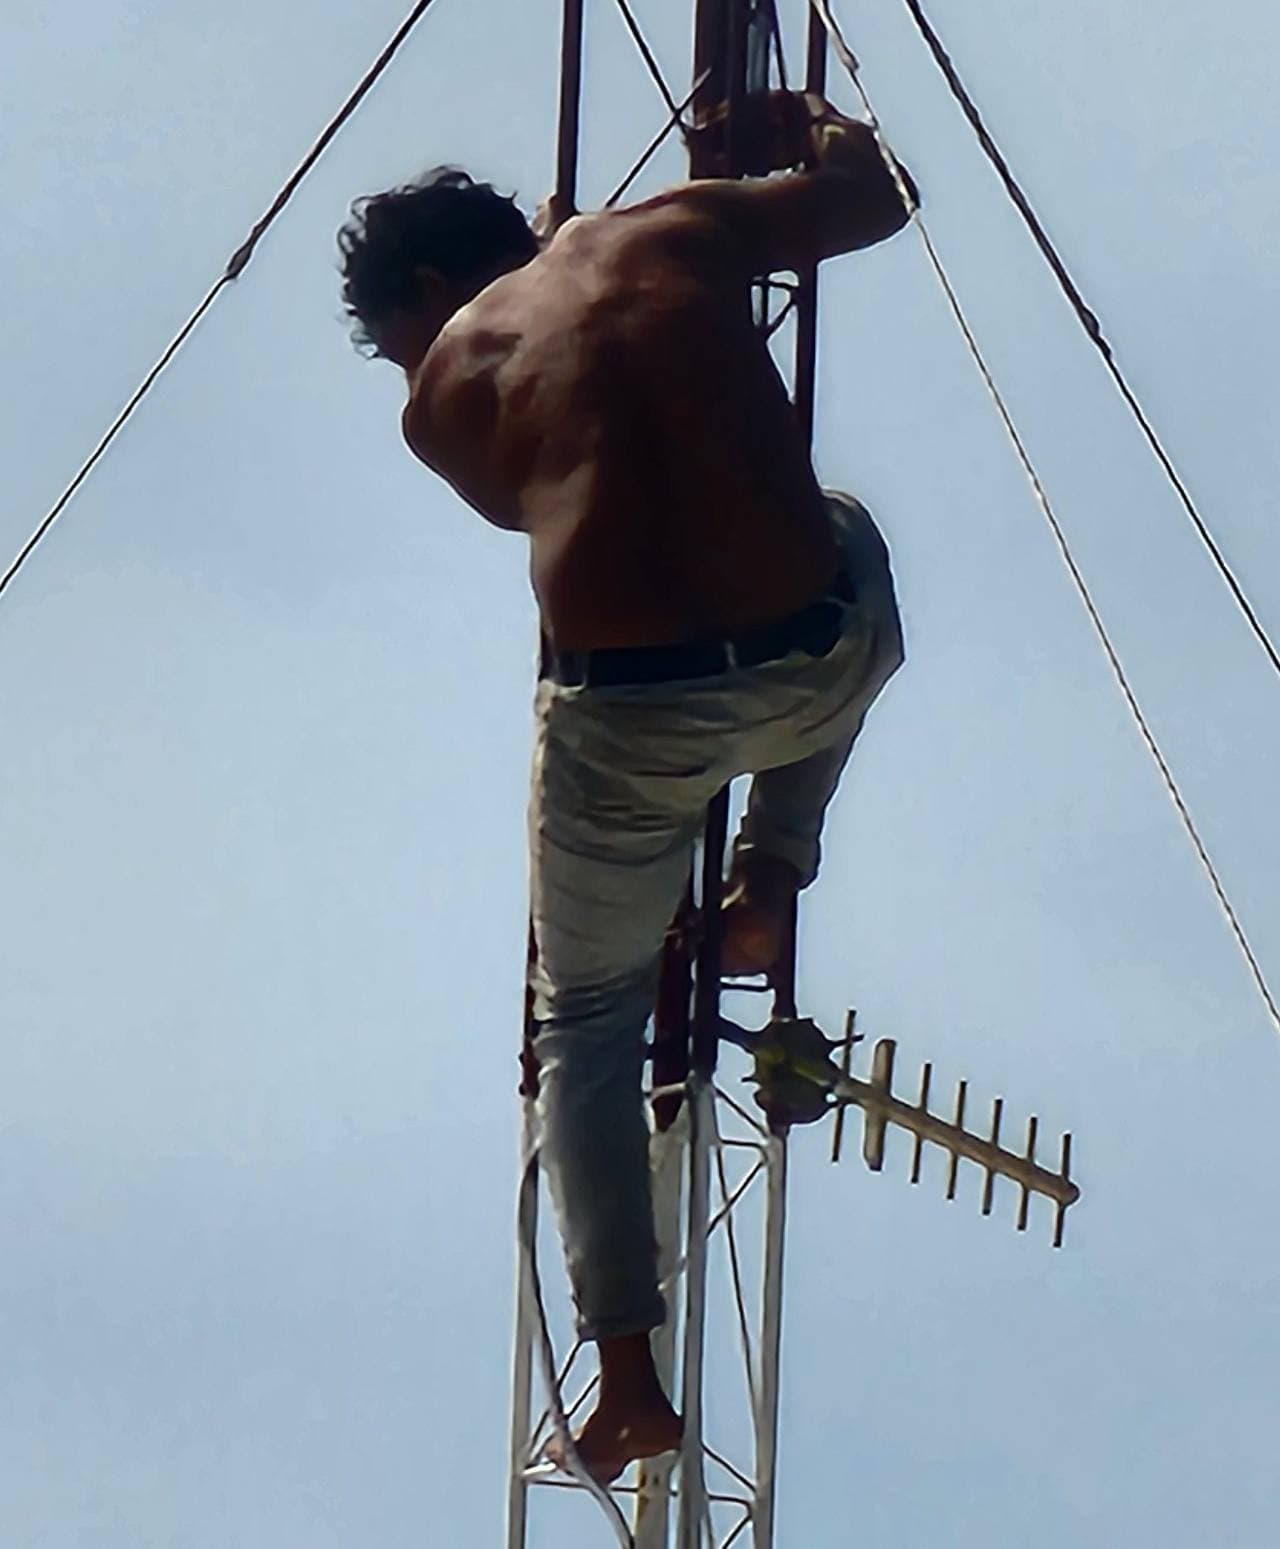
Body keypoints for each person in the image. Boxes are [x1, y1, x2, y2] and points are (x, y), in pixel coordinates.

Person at [337, 89, 916, 1483]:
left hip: (627, 718)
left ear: (429, 292)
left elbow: (553, 476)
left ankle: (630, 1374)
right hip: (800, 661)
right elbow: (878, 194)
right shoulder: (676, 230)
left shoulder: (439, 404)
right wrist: (804, 125)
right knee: (852, 541)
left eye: (401, 335)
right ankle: (773, 868)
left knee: (582, 1030)